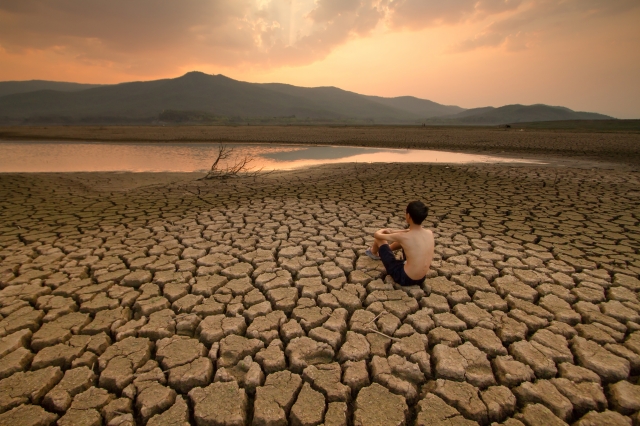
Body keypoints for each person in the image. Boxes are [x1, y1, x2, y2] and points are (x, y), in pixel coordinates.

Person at [366, 201, 434, 286]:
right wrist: (393, 231)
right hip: (421, 278)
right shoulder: (429, 233)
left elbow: (377, 235)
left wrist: (384, 229)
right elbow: (408, 232)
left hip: (405, 278)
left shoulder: (404, 237)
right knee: (406, 243)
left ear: (408, 216)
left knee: (380, 240)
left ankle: (373, 253)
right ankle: (387, 251)